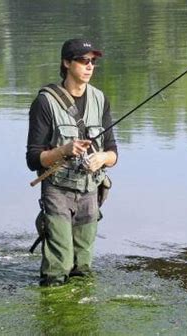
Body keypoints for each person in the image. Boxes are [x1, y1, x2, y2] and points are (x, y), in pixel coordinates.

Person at [26, 38, 118, 286]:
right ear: (66, 63)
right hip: (56, 190)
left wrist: (102, 159)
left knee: (82, 267)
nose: (89, 66)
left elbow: (113, 152)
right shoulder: (45, 102)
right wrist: (63, 150)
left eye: (93, 62)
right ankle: (51, 307)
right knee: (59, 267)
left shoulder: (101, 100)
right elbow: (33, 158)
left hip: (90, 191)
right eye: (83, 61)